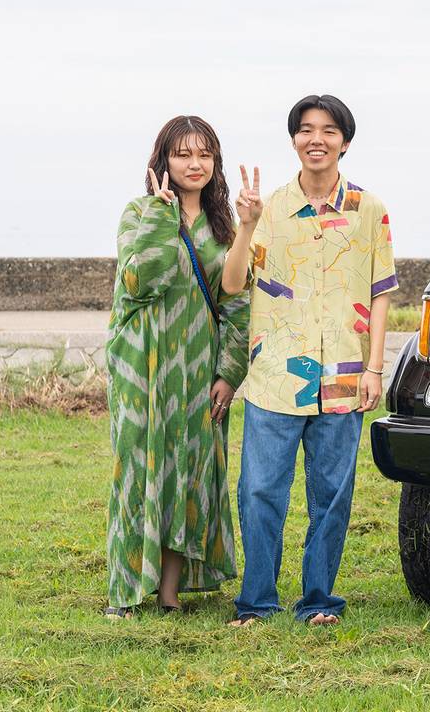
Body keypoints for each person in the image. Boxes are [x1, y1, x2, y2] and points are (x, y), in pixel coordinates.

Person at [222, 94, 397, 626]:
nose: (315, 139)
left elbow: (381, 292)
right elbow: (232, 283)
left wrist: (374, 368)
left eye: (327, 130)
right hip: (275, 374)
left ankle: (319, 601)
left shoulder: (369, 210)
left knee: (332, 496)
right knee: (259, 491)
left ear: (345, 141)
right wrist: (245, 225)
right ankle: (257, 602)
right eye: (305, 129)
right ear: (294, 139)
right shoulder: (269, 208)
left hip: (344, 373)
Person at [104, 116, 253, 619]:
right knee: (137, 470)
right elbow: (140, 281)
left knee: (188, 470)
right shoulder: (138, 213)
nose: (195, 164)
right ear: (163, 160)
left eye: (204, 154)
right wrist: (162, 216)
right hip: (141, 365)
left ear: (216, 163)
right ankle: (125, 591)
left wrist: (229, 373)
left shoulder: (223, 226)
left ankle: (169, 593)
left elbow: (236, 303)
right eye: (183, 154)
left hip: (197, 367)